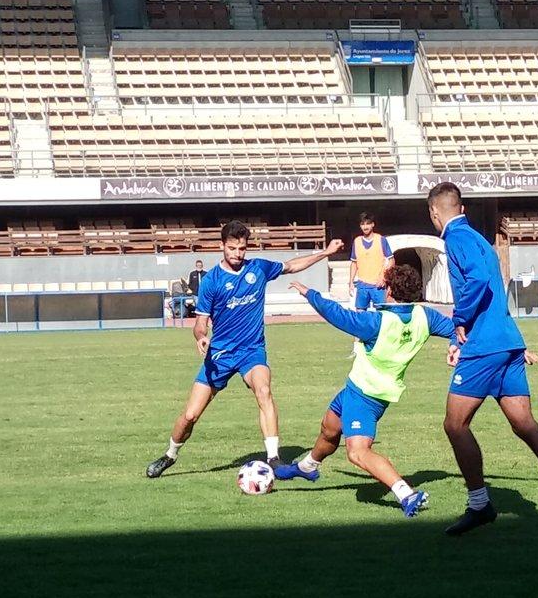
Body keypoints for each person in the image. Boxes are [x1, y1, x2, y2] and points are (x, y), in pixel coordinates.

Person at [427, 182, 538, 536]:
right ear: (462, 208)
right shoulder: (481, 239)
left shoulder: (455, 239)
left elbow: (479, 281)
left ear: (435, 214)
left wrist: (461, 320)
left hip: (483, 346)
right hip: (508, 342)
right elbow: (491, 282)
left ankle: (480, 504)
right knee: (524, 423)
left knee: (455, 424)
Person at [145, 221, 341, 478]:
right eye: (232, 248)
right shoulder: (212, 282)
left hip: (251, 351)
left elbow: (292, 265)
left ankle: (273, 458)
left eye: (242, 248)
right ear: (221, 246)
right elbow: (200, 323)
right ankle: (170, 454)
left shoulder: (258, 268)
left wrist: (325, 253)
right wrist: (202, 337)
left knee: (264, 390)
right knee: (191, 415)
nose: (238, 254)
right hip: (220, 355)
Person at [272, 264, 462, 516]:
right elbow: (455, 329)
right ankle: (307, 467)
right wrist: (453, 345)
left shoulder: (377, 322)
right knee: (329, 428)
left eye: (385, 287)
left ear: (391, 290)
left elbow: (337, 315)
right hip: (360, 389)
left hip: (365, 395)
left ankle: (407, 494)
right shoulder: (425, 316)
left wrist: (310, 294)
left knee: (358, 452)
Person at [351, 213, 394, 310]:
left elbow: (391, 260)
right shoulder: (356, 241)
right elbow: (354, 263)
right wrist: (350, 282)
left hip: (378, 285)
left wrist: (384, 278)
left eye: (367, 224)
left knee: (382, 313)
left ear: (373, 225)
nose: (365, 227)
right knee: (360, 313)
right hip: (362, 284)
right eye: (362, 224)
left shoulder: (381, 239)